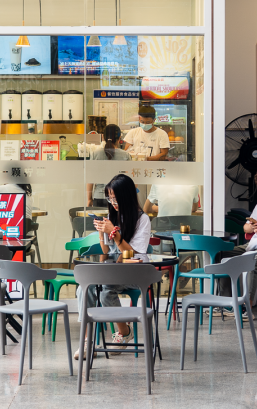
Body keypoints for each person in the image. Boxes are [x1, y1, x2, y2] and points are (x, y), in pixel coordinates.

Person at [75, 174, 152, 357]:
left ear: (126, 196)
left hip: (134, 273)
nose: (113, 202)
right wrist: (101, 233)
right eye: (110, 198)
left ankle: (124, 332)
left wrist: (115, 235)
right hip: (114, 271)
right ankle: (87, 341)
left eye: (115, 198)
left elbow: (135, 254)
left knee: (105, 290)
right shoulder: (113, 216)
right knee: (84, 288)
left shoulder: (142, 220)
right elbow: (106, 251)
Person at [215, 166, 257, 310]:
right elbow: (246, 228)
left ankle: (246, 307)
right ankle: (227, 304)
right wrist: (253, 226)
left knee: (252, 261)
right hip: (255, 243)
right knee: (221, 255)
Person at [85, 124, 130, 206]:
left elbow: (90, 179)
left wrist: (89, 199)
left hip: (99, 197)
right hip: (119, 197)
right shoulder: (125, 155)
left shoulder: (95, 154)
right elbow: (130, 180)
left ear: (103, 137)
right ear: (119, 138)